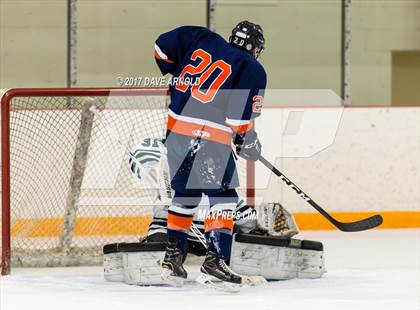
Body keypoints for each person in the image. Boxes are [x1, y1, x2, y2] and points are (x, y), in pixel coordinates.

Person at [153, 21, 266, 289]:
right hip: (209, 136)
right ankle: (215, 262)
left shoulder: (200, 38)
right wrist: (247, 139)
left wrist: (176, 73)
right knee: (224, 197)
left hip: (176, 131)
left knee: (185, 194)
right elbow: (237, 120)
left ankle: (172, 262)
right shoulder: (251, 67)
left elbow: (161, 48)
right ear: (255, 48)